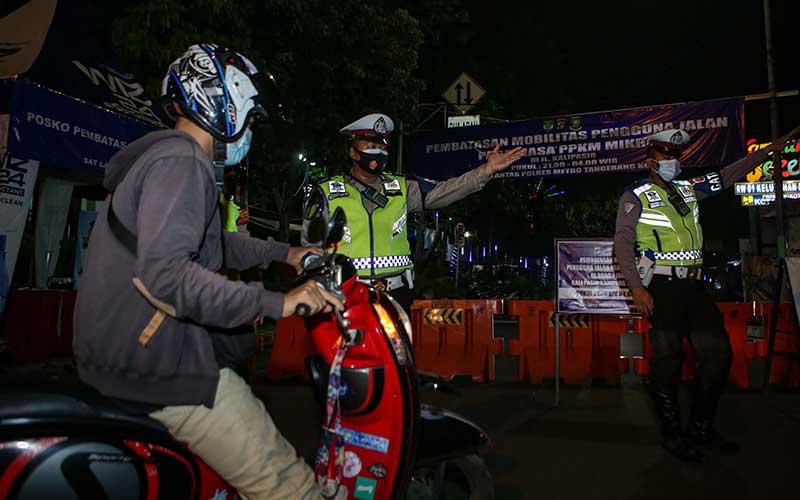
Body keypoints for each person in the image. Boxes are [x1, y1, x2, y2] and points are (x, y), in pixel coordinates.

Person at [73, 44, 342, 499]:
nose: (251, 130)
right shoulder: (183, 164)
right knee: (288, 486)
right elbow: (167, 275)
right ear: (224, 101)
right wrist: (279, 301)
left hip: (120, 356)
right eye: (251, 118)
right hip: (158, 369)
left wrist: (286, 253)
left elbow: (214, 244)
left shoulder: (167, 159)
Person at [613, 126, 798, 463]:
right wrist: (636, 287)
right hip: (662, 289)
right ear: (650, 160)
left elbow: (729, 174)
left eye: (676, 155)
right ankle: (673, 436)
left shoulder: (689, 189)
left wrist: (770, 150)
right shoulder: (634, 196)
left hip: (695, 288)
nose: (673, 161)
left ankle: (701, 427)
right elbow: (623, 244)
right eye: (666, 155)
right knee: (667, 363)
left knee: (718, 356)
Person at [302, 113, 524, 311]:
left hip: (396, 296)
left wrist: (485, 171)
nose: (376, 152)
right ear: (353, 151)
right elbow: (309, 249)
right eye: (369, 145)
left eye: (381, 146)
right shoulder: (327, 192)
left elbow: (444, 191)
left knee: (398, 357)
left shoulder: (401, 188)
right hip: (345, 296)